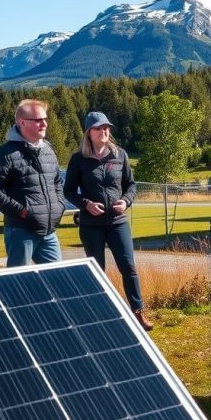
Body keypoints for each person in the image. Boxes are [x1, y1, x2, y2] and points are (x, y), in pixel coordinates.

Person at [64, 111, 153, 331]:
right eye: (99, 128)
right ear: (89, 133)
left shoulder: (120, 155)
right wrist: (86, 204)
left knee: (128, 268)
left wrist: (125, 201)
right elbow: (68, 191)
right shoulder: (78, 159)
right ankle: (99, 315)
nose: (104, 131)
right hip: (90, 225)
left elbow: (131, 185)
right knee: (97, 270)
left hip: (118, 222)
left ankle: (138, 313)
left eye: (107, 127)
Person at [0, 99, 65, 267]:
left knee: (58, 279)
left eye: (45, 119)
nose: (44, 124)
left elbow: (56, 183)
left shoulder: (48, 150)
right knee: (18, 284)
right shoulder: (5, 154)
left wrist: (59, 206)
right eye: (38, 120)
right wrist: (22, 212)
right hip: (20, 232)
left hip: (49, 233)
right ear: (22, 122)